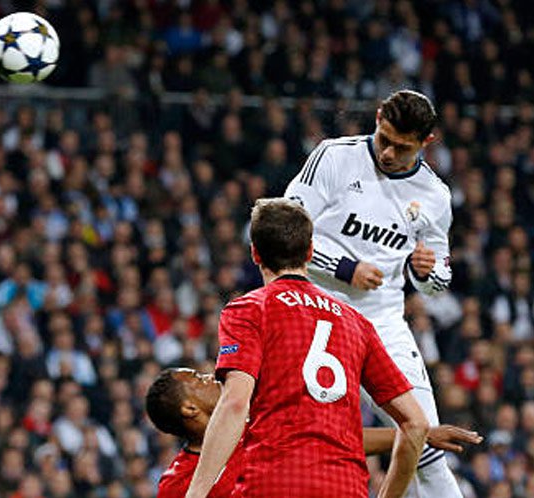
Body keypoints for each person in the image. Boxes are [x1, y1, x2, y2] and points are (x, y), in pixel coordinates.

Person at [185, 198, 430, 498]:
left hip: (274, 483)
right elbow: (416, 423)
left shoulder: (250, 309)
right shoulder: (356, 323)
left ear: (255, 254)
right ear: (310, 252)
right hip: (345, 487)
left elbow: (235, 403)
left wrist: (196, 492)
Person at [284, 89, 461, 497]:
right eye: (384, 139)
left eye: (402, 148)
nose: (388, 154)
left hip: (382, 322)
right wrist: (345, 269)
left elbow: (440, 280)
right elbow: (285, 231)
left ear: (426, 143)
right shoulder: (335, 157)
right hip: (317, 315)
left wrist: (427, 272)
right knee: (307, 440)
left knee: (426, 442)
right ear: (378, 117)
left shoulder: (434, 197)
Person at [145, 367, 483, 498]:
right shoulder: (178, 484)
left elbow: (332, 439)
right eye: (199, 381)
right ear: (189, 410)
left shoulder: (259, 425)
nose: (212, 378)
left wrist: (418, 432)